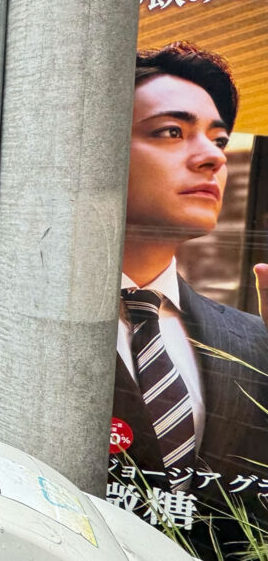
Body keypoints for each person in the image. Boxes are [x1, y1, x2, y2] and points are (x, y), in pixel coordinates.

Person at [112, 42, 268, 555]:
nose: (213, 156)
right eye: (171, 132)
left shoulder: (252, 339)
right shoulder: (9, 319)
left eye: (219, 138)